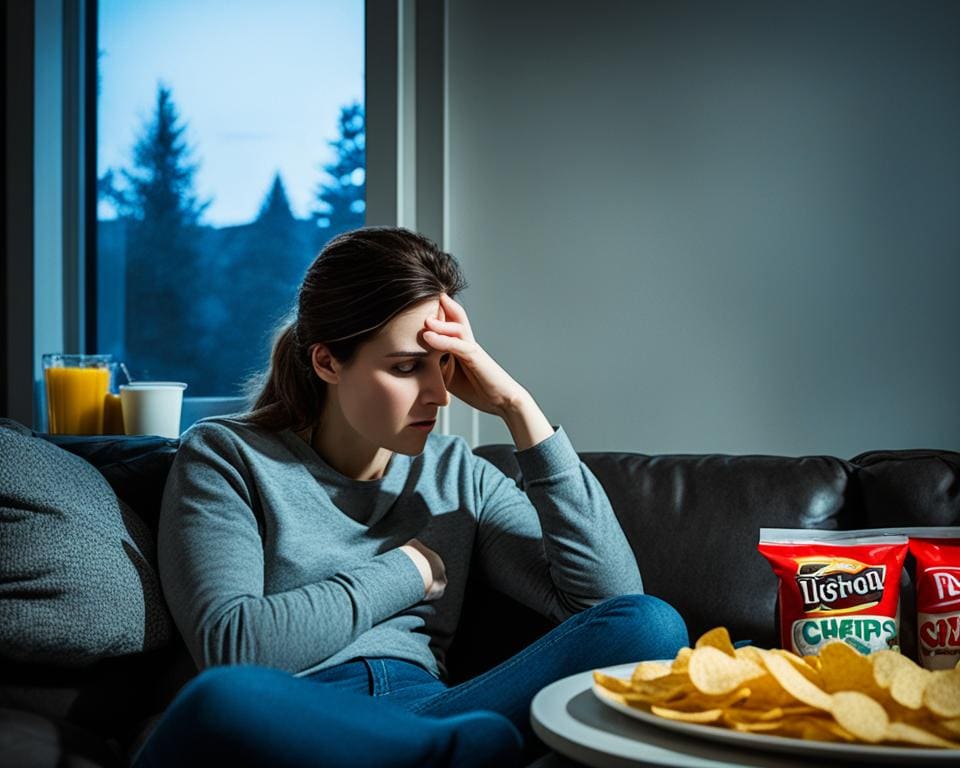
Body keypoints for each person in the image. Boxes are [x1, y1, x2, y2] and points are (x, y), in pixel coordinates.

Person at [132, 227, 688, 767]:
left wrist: (519, 408)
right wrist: (406, 570)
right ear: (327, 362)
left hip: (431, 713)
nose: (439, 394)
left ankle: (431, 751)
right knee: (222, 700)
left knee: (651, 624)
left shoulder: (458, 474)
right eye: (405, 368)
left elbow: (605, 602)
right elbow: (231, 647)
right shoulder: (226, 456)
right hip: (288, 719)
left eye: (443, 363)